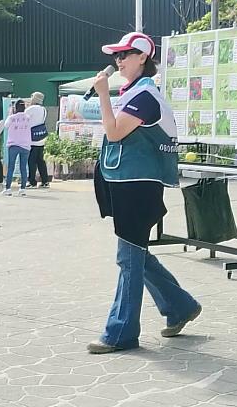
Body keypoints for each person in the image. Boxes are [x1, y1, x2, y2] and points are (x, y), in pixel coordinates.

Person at [88, 32, 201, 355]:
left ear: (143, 58)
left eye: (126, 54)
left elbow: (114, 131)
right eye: (117, 55)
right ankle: (180, 306)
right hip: (128, 184)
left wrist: (103, 96)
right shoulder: (135, 92)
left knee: (129, 258)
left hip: (137, 187)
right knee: (136, 256)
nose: (119, 60)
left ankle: (120, 332)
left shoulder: (145, 96)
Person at [2, 100, 31, 197]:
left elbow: (5, 125)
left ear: (15, 108)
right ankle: (22, 189)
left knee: (11, 167)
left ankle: (8, 188)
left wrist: (10, 113)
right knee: (23, 167)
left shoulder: (12, 117)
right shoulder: (28, 118)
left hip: (13, 144)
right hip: (25, 145)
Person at [25, 91, 50, 188]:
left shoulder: (30, 109)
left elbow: (24, 119)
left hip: (32, 138)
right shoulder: (43, 109)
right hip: (41, 137)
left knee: (31, 160)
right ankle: (45, 181)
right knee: (40, 160)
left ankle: (31, 181)